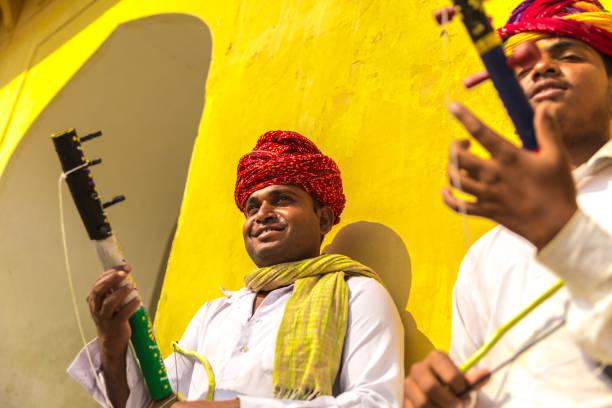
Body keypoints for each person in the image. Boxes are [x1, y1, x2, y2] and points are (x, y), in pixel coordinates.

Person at [68, 130, 404, 408]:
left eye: (283, 199)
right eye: (252, 207)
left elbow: (376, 402)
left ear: (323, 219)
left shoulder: (355, 293)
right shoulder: (215, 314)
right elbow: (150, 404)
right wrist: (112, 347)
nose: (262, 213)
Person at [404, 0, 612, 407]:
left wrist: (563, 236)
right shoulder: (484, 256)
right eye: (524, 66)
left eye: (569, 55)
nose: (543, 68)